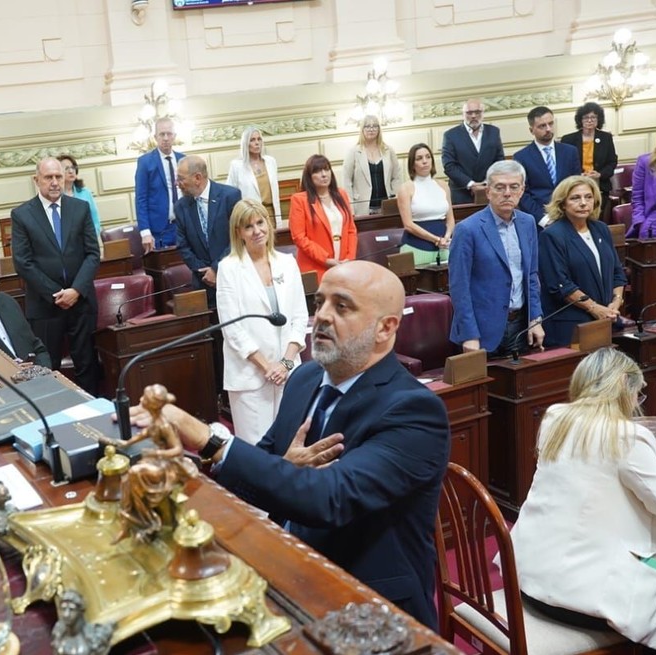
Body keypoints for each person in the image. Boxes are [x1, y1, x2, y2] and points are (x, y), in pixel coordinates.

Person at [128, 261, 450, 629]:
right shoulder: (305, 378)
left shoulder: (414, 410)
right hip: (286, 569)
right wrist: (193, 459)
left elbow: (330, 498)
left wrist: (206, 437)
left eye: (342, 306)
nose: (322, 316)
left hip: (367, 605)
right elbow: (265, 463)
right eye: (320, 302)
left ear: (386, 327)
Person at [511, 347, 656, 655]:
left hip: (529, 578)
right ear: (624, 390)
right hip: (582, 600)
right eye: (638, 394)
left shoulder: (555, 419)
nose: (638, 402)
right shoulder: (627, 437)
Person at [215, 200, 308, 441]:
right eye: (249, 226)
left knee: (290, 444)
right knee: (256, 450)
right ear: (238, 232)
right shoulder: (229, 268)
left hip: (288, 372)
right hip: (250, 376)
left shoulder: (287, 262)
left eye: (260, 222)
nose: (257, 231)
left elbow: (299, 317)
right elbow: (232, 328)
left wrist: (285, 364)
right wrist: (267, 367)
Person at [10, 158, 101, 393]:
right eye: (48, 177)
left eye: (58, 177)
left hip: (81, 302)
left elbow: (93, 254)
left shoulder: (79, 208)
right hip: (45, 307)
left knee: (87, 365)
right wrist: (57, 294)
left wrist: (75, 290)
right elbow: (23, 262)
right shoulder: (22, 214)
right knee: (49, 369)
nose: (54, 182)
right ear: (36, 180)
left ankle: (93, 409)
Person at [449, 160, 544, 357]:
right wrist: (469, 334)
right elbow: (459, 287)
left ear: (522, 190)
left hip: (520, 327)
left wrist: (535, 318)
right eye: (500, 187)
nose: (507, 193)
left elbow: (532, 276)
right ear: (488, 192)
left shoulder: (528, 223)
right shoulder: (467, 229)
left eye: (514, 187)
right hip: (481, 331)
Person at [538, 176, 627, 348]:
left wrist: (615, 303)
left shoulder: (601, 229)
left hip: (607, 318)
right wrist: (594, 308)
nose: (583, 203)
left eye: (588, 197)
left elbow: (617, 272)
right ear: (562, 204)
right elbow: (560, 285)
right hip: (572, 324)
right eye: (575, 198)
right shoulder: (552, 235)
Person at [175, 155, 240, 307]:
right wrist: (204, 272)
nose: (177, 184)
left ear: (197, 178)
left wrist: (216, 269)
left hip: (232, 279)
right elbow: (182, 246)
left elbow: (238, 238)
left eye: (181, 179)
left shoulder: (230, 196)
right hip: (203, 283)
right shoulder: (181, 206)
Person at [288, 154, 356, 281]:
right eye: (318, 171)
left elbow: (351, 230)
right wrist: (326, 259)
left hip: (344, 266)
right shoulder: (299, 200)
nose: (324, 174)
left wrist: (350, 258)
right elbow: (299, 238)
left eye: (326, 169)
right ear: (309, 176)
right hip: (315, 267)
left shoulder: (341, 194)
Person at [512, 106, 580, 226]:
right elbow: (522, 193)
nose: (548, 129)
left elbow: (577, 185)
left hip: (571, 216)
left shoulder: (570, 151)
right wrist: (544, 220)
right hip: (541, 220)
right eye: (542, 126)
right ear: (531, 130)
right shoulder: (521, 157)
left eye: (551, 124)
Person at [396, 143, 455, 266]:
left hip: (444, 247)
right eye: (419, 158)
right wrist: (436, 239)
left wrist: (446, 237)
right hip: (416, 247)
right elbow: (408, 225)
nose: (425, 161)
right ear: (412, 164)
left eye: (428, 157)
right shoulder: (406, 188)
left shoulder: (443, 185)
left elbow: (450, 219)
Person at [133, 118, 185, 253]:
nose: (166, 138)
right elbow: (141, 199)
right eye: (162, 134)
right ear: (155, 137)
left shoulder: (183, 159)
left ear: (174, 136)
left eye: (169, 134)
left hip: (183, 226)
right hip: (159, 230)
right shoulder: (145, 162)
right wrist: (145, 232)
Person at [441, 98, 505, 205]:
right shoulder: (450, 135)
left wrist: (486, 183)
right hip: (461, 195)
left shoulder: (494, 132)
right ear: (463, 114)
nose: (473, 116)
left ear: (483, 113)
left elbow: (499, 162)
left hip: (490, 192)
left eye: (477, 112)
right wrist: (471, 184)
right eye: (469, 113)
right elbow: (449, 166)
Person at [559, 102, 618, 214]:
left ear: (598, 119)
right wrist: (578, 175)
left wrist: (600, 174)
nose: (590, 120)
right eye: (586, 117)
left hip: (600, 186)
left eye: (593, 117)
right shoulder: (568, 139)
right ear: (580, 120)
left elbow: (612, 162)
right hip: (575, 185)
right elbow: (563, 164)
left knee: (598, 216)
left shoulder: (606, 138)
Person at [342, 116, 403, 215]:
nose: (371, 129)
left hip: (386, 208)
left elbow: (397, 177)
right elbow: (346, 181)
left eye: (374, 126)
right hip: (362, 209)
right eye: (367, 126)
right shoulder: (353, 152)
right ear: (362, 129)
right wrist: (350, 207)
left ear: (379, 129)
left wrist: (395, 196)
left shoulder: (388, 150)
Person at [225, 126, 281, 222]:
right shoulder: (237, 166)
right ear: (245, 143)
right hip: (250, 215)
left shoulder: (271, 161)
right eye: (252, 140)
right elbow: (230, 194)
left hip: (271, 213)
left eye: (259, 139)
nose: (257, 143)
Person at [59, 154, 102, 236]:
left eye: (73, 167)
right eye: (66, 168)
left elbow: (95, 219)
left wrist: (93, 236)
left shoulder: (85, 192)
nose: (71, 171)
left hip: (88, 239)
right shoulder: (56, 196)